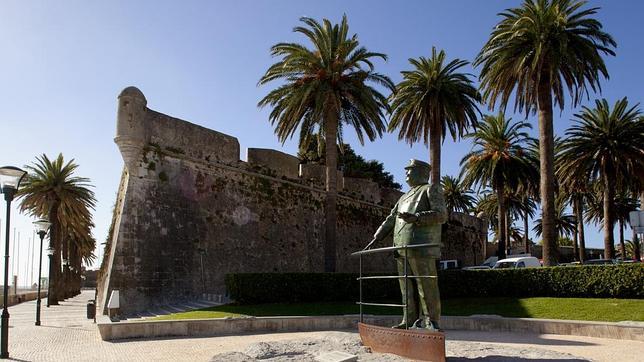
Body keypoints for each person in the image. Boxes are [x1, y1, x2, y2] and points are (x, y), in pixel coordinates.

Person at [364, 159, 447, 330]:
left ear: (422, 173)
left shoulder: (431, 189)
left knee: (426, 285)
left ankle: (431, 321)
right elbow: (391, 218)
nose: (407, 174)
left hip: (420, 246)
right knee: (406, 288)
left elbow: (441, 215)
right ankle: (408, 319)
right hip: (401, 248)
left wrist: (417, 218)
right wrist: (377, 237)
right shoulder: (403, 197)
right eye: (406, 171)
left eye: (410, 171)